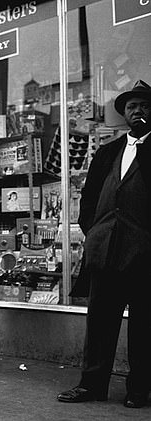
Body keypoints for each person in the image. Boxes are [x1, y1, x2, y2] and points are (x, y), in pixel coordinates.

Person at [57, 80, 151, 409]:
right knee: (99, 321)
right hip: (107, 249)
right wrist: (94, 230)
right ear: (124, 113)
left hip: (144, 253)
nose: (137, 110)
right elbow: (90, 196)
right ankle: (92, 383)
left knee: (144, 324)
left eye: (144, 105)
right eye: (131, 106)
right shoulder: (109, 150)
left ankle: (140, 388)